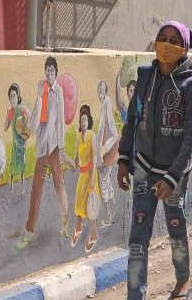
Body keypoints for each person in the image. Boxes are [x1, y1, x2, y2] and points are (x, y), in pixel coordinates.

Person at [109, 20, 192, 300]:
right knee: (138, 238)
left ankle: (183, 280)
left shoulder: (190, 87)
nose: (166, 44)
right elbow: (132, 119)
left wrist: (173, 177)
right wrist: (124, 158)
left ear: (184, 48)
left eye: (173, 40)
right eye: (162, 38)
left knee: (176, 226)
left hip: (174, 174)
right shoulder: (146, 77)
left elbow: (190, 138)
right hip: (143, 166)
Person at [17, 57, 73, 249]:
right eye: (47, 70)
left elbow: (60, 124)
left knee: (59, 185)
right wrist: (39, 96)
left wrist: (62, 148)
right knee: (36, 190)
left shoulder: (59, 92)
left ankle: (65, 222)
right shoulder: (42, 93)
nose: (49, 74)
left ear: (56, 73)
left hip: (55, 147)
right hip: (42, 148)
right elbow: (33, 126)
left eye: (52, 70)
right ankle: (30, 230)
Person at [71, 105, 99, 252]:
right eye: (81, 121)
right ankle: (78, 227)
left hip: (90, 175)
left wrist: (93, 178)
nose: (83, 123)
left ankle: (94, 235)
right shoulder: (78, 137)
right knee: (78, 204)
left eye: (85, 120)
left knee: (90, 207)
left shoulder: (91, 135)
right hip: (82, 175)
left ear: (89, 122)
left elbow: (94, 158)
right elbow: (76, 162)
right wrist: (65, 159)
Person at [96, 81, 119, 227]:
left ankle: (108, 217)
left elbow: (113, 131)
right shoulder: (103, 104)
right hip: (103, 150)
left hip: (107, 151)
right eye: (99, 90)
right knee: (105, 181)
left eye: (103, 91)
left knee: (103, 182)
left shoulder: (107, 104)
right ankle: (112, 210)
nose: (100, 93)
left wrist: (105, 148)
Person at [4, 83, 30, 193]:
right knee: (13, 165)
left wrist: (24, 124)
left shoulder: (22, 109)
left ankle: (23, 187)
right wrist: (7, 118)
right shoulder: (10, 112)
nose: (12, 99)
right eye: (10, 97)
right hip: (15, 143)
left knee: (22, 165)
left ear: (18, 96)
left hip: (22, 142)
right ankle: (12, 187)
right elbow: (5, 127)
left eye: (14, 95)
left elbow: (28, 121)